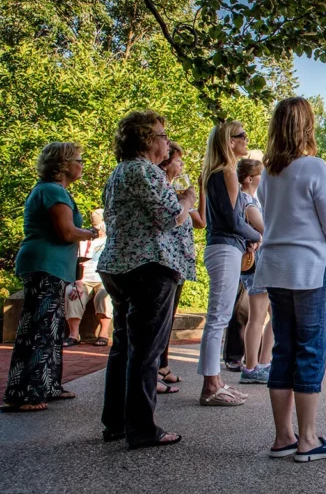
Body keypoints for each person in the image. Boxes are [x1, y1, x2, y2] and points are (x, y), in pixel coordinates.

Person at [255, 96, 326, 462]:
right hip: (309, 268)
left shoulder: (267, 173)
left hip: (274, 266)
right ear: (306, 126)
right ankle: (308, 439)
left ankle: (283, 438)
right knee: (310, 349)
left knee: (283, 349)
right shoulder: (314, 167)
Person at [98, 110, 196, 448]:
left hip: (117, 266)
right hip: (149, 267)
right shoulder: (147, 172)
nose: (166, 142)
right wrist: (186, 199)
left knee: (123, 347)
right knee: (146, 352)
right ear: (145, 139)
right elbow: (172, 218)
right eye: (162, 135)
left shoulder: (118, 173)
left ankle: (115, 422)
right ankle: (142, 428)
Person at [2, 142, 97, 413]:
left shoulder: (53, 190)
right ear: (63, 164)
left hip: (52, 266)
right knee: (38, 331)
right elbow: (66, 232)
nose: (82, 164)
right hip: (44, 264)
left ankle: (48, 385)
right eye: (79, 160)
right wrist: (89, 232)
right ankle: (23, 393)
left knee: (52, 329)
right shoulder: (53, 191)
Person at [197, 119, 261, 407]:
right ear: (229, 141)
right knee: (218, 318)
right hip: (224, 248)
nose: (246, 140)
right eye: (241, 135)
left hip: (224, 247)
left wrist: (248, 237)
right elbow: (232, 220)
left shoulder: (217, 173)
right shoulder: (226, 173)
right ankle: (211, 385)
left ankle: (217, 381)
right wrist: (258, 234)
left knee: (220, 317)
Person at [156, 141, 202, 390]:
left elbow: (200, 222)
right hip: (163, 260)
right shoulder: (161, 188)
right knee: (158, 319)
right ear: (165, 162)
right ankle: (154, 370)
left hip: (178, 262)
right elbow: (174, 217)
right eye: (178, 160)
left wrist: (198, 193)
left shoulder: (179, 191)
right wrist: (186, 201)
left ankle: (162, 365)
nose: (182, 165)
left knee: (168, 316)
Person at [238, 158, 274, 384]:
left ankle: (264, 362)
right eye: (261, 175)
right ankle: (251, 366)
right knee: (257, 316)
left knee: (274, 315)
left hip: (261, 263)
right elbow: (265, 229)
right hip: (257, 265)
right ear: (250, 178)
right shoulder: (247, 202)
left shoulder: (251, 200)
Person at [65, 209, 111, 347]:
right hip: (84, 278)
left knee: (104, 295)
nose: (98, 228)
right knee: (70, 292)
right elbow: (77, 261)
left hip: (104, 279)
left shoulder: (112, 240)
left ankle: (103, 333)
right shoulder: (85, 239)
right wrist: (78, 282)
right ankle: (73, 335)